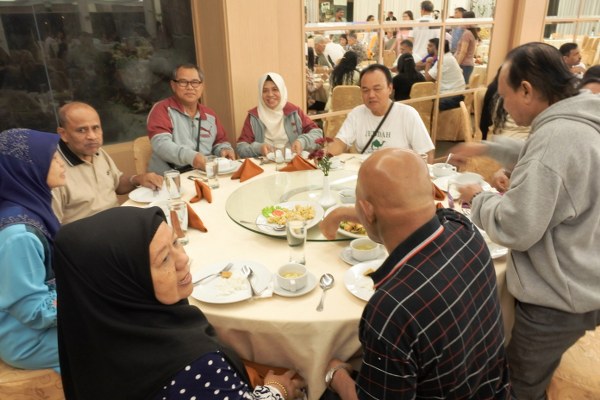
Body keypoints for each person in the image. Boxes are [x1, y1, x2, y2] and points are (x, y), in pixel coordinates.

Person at [450, 42, 600, 400]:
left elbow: (516, 226)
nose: (503, 106)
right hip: (585, 273)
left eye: (505, 97)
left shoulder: (557, 138)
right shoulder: (579, 120)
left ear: (527, 90)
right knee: (536, 374)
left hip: (557, 296)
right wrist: (488, 148)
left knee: (519, 384)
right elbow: (544, 161)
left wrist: (478, 197)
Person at [54, 206, 307, 400]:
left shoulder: (92, 337)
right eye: (164, 259)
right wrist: (277, 390)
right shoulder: (193, 366)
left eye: (175, 242)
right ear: (125, 282)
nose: (183, 259)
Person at [323, 149, 510, 399]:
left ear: (366, 211)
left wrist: (335, 375)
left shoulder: (391, 309)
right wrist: (343, 213)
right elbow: (420, 212)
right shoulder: (463, 228)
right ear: (432, 191)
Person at [0, 128, 65, 373]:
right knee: (124, 333)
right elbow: (34, 312)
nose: (62, 163)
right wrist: (90, 294)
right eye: (53, 158)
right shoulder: (19, 235)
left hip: (44, 321)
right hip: (27, 339)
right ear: (27, 169)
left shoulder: (32, 206)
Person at [51, 102, 162, 224]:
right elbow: (52, 226)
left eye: (95, 128)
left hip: (118, 222)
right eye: (82, 130)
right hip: (88, 232)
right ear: (63, 134)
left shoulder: (97, 152)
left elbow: (117, 184)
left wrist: (137, 179)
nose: (92, 136)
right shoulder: (54, 169)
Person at [327, 64, 435, 160]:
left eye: (377, 89)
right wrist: (324, 155)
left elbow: (426, 153)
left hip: (398, 172)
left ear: (390, 88)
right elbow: (340, 142)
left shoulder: (407, 114)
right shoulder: (357, 114)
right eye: (365, 90)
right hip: (367, 171)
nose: (371, 95)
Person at [147, 63, 235, 174]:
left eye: (195, 82)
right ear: (173, 85)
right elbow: (161, 145)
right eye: (183, 82)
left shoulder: (210, 115)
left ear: (202, 86)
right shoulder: (162, 109)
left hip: (202, 174)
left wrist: (224, 149)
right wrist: (191, 157)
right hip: (169, 177)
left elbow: (219, 142)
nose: (190, 87)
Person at [237, 72, 321, 158]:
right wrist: (259, 148)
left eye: (275, 89)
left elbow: (317, 134)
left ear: (282, 90)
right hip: (266, 163)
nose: (270, 94)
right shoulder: (254, 116)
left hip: (293, 161)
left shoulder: (294, 112)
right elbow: (241, 147)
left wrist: (302, 142)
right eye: (265, 91)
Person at [425, 38, 466, 110]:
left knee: (425, 104)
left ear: (438, 48)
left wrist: (428, 63)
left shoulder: (443, 59)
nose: (427, 48)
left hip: (452, 97)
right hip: (458, 95)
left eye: (430, 46)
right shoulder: (449, 57)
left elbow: (427, 79)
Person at [454, 11, 479, 83]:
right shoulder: (471, 33)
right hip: (467, 64)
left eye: (463, 19)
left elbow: (463, 51)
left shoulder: (467, 33)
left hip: (464, 65)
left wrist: (457, 65)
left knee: (461, 86)